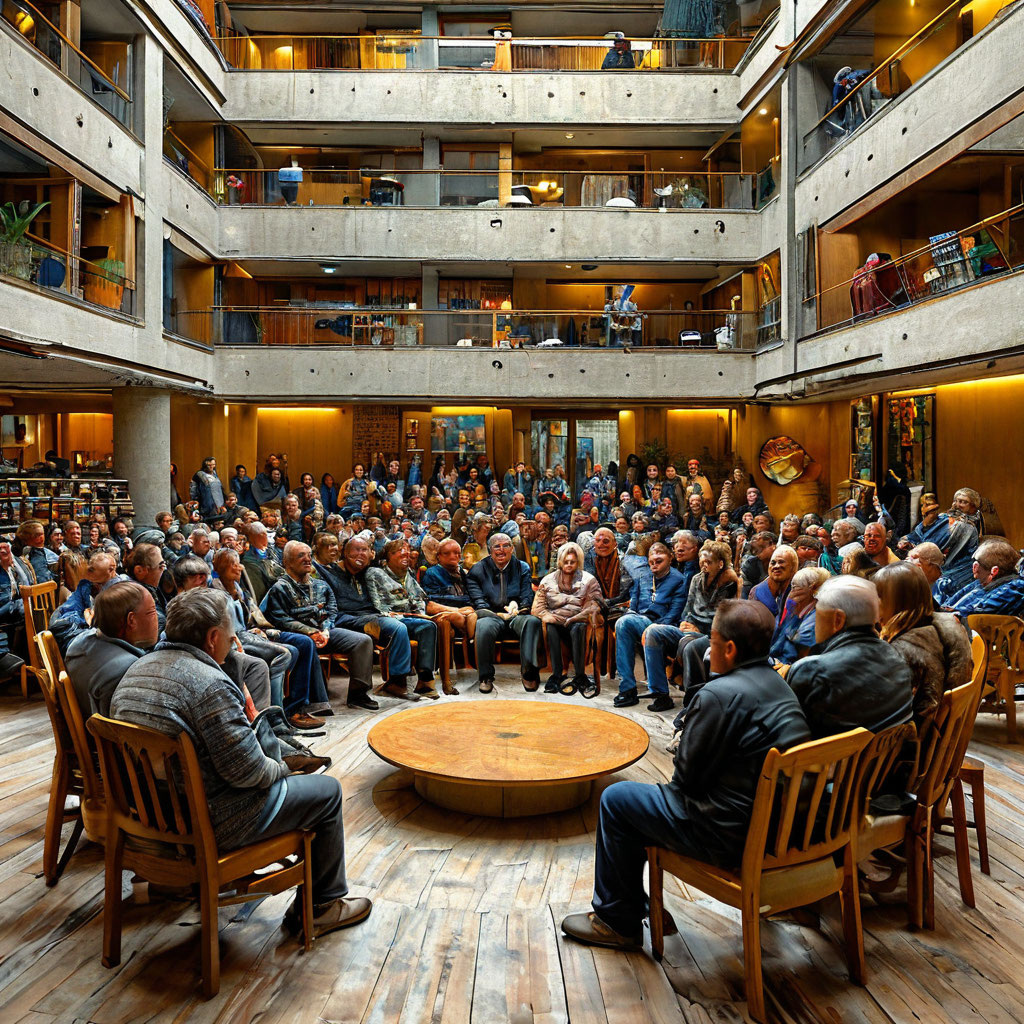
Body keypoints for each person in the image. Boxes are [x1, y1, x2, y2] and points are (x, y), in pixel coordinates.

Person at [110, 587, 371, 938]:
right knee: (327, 792)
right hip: (209, 825)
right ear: (212, 638)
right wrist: (287, 767)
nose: (235, 643)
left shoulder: (134, 672)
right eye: (232, 635)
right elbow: (249, 773)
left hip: (148, 822)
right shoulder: (209, 685)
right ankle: (321, 907)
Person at [560, 600, 811, 952]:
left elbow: (685, 784)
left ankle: (616, 921)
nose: (707, 649)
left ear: (729, 649)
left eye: (712, 640)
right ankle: (636, 902)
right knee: (641, 803)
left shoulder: (717, 695)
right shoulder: (782, 686)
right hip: (778, 830)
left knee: (618, 800)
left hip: (729, 835)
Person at [212, 547, 329, 728]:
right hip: (238, 638)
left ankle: (296, 708)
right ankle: (277, 718)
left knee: (304, 643)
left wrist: (320, 629)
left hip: (258, 630)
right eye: (233, 564)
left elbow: (256, 618)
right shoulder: (216, 592)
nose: (239, 567)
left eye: (238, 563)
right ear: (220, 567)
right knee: (285, 653)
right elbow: (275, 618)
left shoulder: (240, 589)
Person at [786, 575, 913, 737]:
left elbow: (786, 736)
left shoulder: (811, 671)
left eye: (817, 612)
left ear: (838, 620)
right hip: (885, 753)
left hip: (831, 754)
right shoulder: (898, 659)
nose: (815, 620)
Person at [261, 541, 377, 711]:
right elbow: (281, 619)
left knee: (363, 641)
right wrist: (310, 632)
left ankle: (358, 695)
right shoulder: (279, 588)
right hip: (298, 635)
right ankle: (315, 702)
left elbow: (332, 611)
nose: (307, 559)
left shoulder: (321, 585)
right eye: (301, 555)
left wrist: (326, 630)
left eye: (309, 555)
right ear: (287, 562)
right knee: (306, 643)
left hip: (325, 632)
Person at [312, 534, 424, 702]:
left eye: (364, 550)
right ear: (345, 553)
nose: (361, 554)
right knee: (397, 627)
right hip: (344, 618)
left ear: (371, 554)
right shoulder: (330, 572)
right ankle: (397, 683)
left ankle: (405, 682)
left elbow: (393, 590)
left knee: (416, 624)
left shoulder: (369, 572)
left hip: (370, 616)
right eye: (356, 550)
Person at [642, 540, 738, 713]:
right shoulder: (696, 579)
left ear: (720, 564)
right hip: (690, 629)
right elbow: (687, 609)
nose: (704, 565)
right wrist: (685, 622)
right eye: (702, 561)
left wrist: (699, 630)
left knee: (689, 644)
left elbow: (724, 620)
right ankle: (660, 694)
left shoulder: (730, 584)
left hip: (712, 636)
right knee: (653, 632)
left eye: (709, 562)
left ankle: (691, 703)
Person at [875, 562, 972, 724]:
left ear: (895, 601)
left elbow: (884, 708)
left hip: (911, 734)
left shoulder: (906, 648)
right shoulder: (939, 625)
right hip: (940, 725)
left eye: (878, 596)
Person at [65, 581, 160, 717]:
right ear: (131, 620)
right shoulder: (128, 671)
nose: (158, 617)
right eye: (152, 612)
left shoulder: (79, 642)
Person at [613, 541, 687, 709]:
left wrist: (652, 629)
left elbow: (674, 614)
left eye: (659, 560)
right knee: (623, 623)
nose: (654, 564)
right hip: (640, 621)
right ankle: (628, 689)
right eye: (651, 561)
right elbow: (633, 605)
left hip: (664, 627)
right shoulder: (644, 577)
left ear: (670, 558)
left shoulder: (678, 579)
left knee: (628, 623)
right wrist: (633, 616)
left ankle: (637, 690)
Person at [466, 533, 543, 693]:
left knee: (532, 622)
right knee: (483, 625)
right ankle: (485, 676)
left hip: (516, 615)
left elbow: (527, 596)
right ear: (490, 550)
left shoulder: (522, 567)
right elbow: (478, 602)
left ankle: (529, 673)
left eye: (506, 545)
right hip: (491, 616)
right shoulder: (477, 570)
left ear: (512, 548)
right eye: (497, 546)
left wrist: (519, 607)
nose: (501, 550)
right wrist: (497, 615)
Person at [365, 539, 440, 699]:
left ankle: (425, 681)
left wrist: (420, 613)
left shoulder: (408, 574)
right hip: (387, 619)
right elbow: (375, 602)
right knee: (407, 627)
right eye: (400, 551)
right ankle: (397, 682)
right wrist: (391, 613)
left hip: (409, 618)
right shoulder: (375, 573)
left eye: (407, 551)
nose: (406, 554)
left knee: (429, 626)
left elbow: (419, 599)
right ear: (388, 557)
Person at [532, 541, 600, 697]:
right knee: (551, 627)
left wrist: (574, 618)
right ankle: (556, 675)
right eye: (566, 561)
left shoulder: (589, 580)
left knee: (579, 627)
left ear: (578, 562)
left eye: (572, 562)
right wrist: (550, 617)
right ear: (560, 562)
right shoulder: (547, 580)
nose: (569, 565)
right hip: (556, 621)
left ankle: (580, 675)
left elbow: (594, 606)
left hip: (578, 621)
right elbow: (537, 608)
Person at [900, 490, 977, 592]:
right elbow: (919, 532)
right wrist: (910, 538)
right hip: (919, 552)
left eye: (964, 502)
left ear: (972, 506)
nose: (958, 505)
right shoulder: (942, 517)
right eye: (957, 501)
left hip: (941, 565)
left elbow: (966, 558)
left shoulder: (969, 529)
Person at [943, 537, 1024, 618]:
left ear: (994, 571)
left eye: (977, 564)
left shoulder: (1014, 588)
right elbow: (950, 605)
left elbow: (976, 613)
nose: (973, 568)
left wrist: (955, 612)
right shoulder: (981, 582)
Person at [769, 566, 829, 666]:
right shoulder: (796, 610)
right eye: (792, 587)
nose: (792, 593)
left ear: (812, 588)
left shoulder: (815, 618)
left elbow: (800, 656)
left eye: (795, 587)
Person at [0, 540, 30, 682]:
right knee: (27, 611)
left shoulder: (11, 571)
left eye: (8, 549)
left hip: (12, 614)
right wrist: (20, 604)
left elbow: (24, 586)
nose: (5, 552)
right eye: (2, 551)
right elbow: (5, 604)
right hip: (4, 615)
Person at [241, 522, 287, 603]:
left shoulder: (269, 550)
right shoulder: (248, 561)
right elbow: (259, 593)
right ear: (261, 536)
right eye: (265, 534)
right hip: (270, 600)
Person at [749, 545, 798, 620]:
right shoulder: (757, 592)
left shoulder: (798, 592)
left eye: (781, 562)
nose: (776, 566)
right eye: (773, 563)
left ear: (793, 567)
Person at [739, 530, 775, 597]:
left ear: (773, 545)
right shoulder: (750, 564)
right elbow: (744, 593)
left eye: (761, 547)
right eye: (754, 549)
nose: (756, 552)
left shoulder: (783, 561)